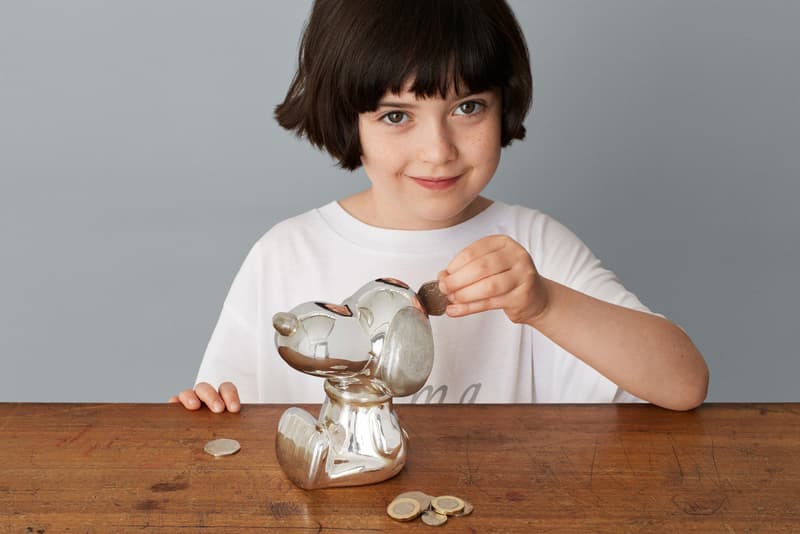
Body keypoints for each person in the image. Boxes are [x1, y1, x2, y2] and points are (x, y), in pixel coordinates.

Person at [170, 0, 708, 413]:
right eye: (396, 116)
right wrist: (207, 407)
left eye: (468, 107)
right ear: (348, 118)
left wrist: (544, 303)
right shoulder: (285, 254)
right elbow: (224, 411)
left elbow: (684, 384)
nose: (438, 151)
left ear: (505, 104)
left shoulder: (534, 246)